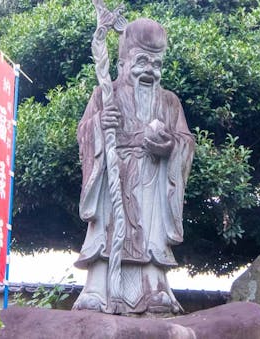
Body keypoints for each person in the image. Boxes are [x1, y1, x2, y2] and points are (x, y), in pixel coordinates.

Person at [73, 18, 195, 315]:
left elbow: (185, 140)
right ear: (122, 64)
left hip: (152, 178)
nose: (149, 70)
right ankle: (98, 290)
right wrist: (100, 126)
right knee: (106, 228)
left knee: (152, 236)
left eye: (156, 64)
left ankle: (156, 288)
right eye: (141, 61)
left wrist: (170, 148)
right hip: (113, 172)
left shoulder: (169, 102)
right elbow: (83, 134)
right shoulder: (105, 93)